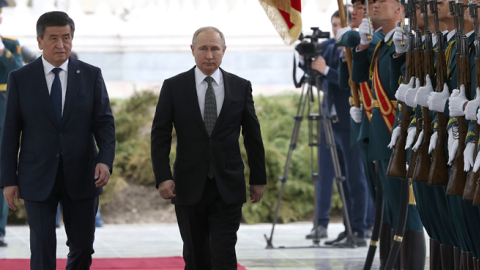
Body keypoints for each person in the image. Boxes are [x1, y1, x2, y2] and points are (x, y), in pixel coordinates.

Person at [0, 11, 115, 269]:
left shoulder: (91, 75)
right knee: (41, 246)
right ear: (40, 41)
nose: (61, 45)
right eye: (53, 38)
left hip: (83, 173)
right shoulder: (20, 78)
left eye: (66, 37)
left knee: (83, 246)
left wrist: (105, 161)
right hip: (37, 174)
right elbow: (10, 133)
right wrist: (8, 180)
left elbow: (105, 124)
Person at [151, 26, 266, 269]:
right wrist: (163, 177)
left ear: (224, 51)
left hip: (228, 184)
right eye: (203, 48)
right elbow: (160, 135)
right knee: (195, 255)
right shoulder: (174, 86)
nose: (209, 55)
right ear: (193, 51)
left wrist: (258, 178)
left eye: (215, 48)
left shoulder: (240, 86)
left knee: (223, 252)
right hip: (188, 184)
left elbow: (252, 135)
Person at [303, 10, 370, 248]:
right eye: (332, 25)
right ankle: (344, 227)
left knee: (355, 179)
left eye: (339, 24)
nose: (334, 29)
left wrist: (326, 71)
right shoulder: (330, 47)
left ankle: (359, 230)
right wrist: (305, 57)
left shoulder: (358, 46)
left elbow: (351, 82)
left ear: (351, 24)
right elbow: (314, 73)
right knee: (333, 178)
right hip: (328, 122)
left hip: (350, 120)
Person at [0, 1, 23, 247]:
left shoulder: (8, 44)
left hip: (1, 116)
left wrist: (2, 51)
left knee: (1, 174)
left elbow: (18, 70)